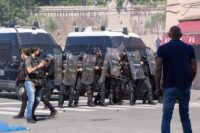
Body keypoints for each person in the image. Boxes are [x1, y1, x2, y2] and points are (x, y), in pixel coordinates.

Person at [155, 26, 197, 133]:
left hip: (168, 87)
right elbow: (193, 69)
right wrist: (189, 82)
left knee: (166, 118)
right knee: (185, 117)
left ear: (169, 35)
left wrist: (157, 87)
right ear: (181, 35)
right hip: (184, 87)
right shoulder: (189, 49)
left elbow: (158, 69)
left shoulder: (162, 49)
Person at [24, 47, 45, 123]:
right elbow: (29, 71)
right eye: (39, 51)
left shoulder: (35, 59)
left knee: (38, 99)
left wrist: (42, 65)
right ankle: (29, 117)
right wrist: (38, 66)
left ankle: (31, 113)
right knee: (32, 99)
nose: (40, 52)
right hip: (29, 81)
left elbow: (36, 70)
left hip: (36, 81)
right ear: (35, 51)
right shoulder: (28, 59)